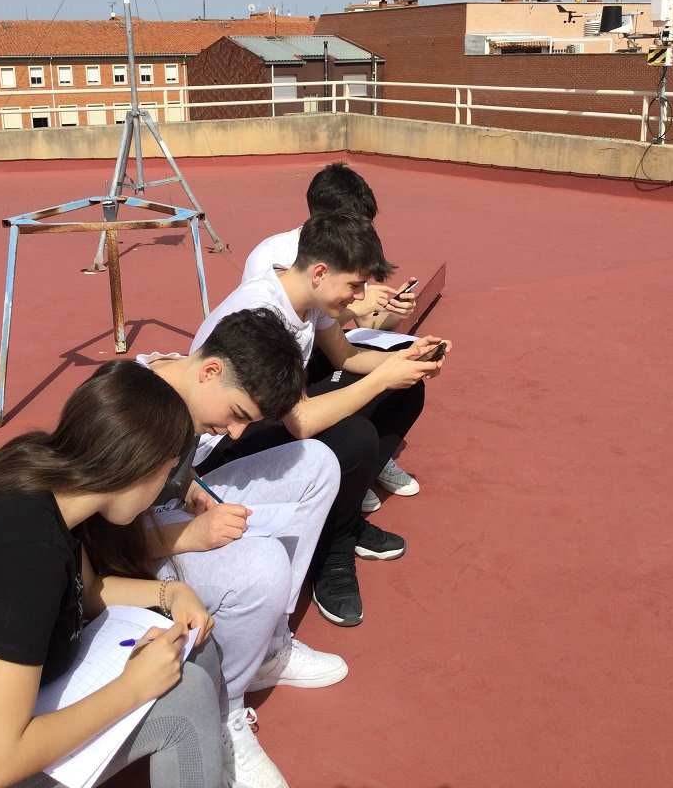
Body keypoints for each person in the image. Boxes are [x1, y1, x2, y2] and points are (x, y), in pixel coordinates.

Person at [0, 361, 222, 788]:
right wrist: (131, 688)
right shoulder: (25, 553)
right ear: (140, 465)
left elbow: (86, 590)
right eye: (167, 471)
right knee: (186, 697)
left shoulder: (48, 483)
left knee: (191, 644)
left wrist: (171, 593)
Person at [193, 213, 449, 628]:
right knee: (354, 436)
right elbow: (302, 423)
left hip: (265, 416)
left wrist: (407, 357)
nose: (361, 297)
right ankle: (334, 548)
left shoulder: (310, 296)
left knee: (405, 389)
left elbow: (345, 356)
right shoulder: (264, 313)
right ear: (320, 273)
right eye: (355, 286)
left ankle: (341, 513)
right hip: (218, 448)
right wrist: (385, 375)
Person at [136, 308, 346, 788]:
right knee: (263, 564)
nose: (234, 433)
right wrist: (191, 536)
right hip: (135, 551)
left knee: (317, 463)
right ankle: (222, 708)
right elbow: (96, 540)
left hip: (165, 513)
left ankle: (267, 647)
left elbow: (170, 474)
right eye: (237, 415)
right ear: (211, 370)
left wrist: (190, 486)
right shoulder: (134, 415)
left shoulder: (186, 386)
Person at [242, 161, 423, 508]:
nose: (363, 234)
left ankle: (367, 466)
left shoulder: (341, 254)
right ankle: (353, 471)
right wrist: (383, 372)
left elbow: (357, 330)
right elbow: (299, 414)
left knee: (407, 383)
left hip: (318, 352)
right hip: (283, 379)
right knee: (357, 429)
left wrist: (400, 335)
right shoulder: (276, 265)